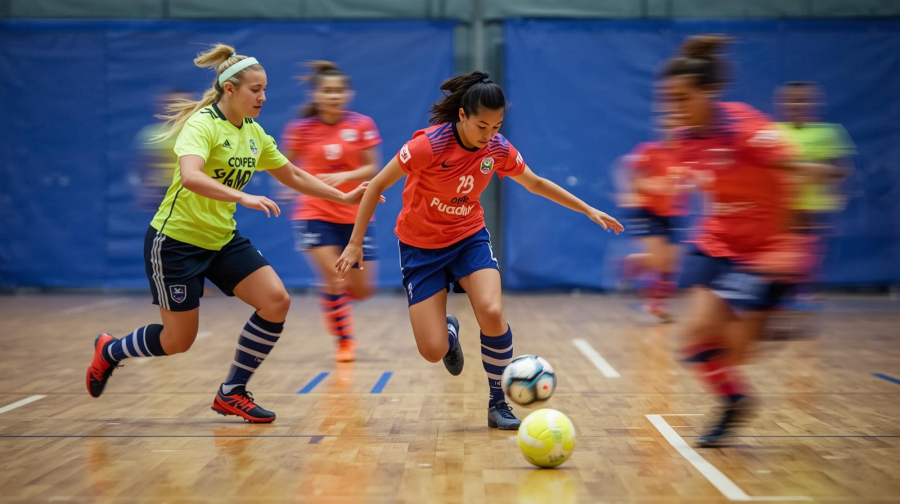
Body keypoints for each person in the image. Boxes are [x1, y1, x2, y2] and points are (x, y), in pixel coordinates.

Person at [85, 43, 380, 423]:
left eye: (265, 89)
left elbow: (293, 175)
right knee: (177, 341)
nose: (262, 97)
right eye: (255, 89)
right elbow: (191, 177)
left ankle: (232, 391)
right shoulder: (202, 124)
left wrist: (343, 196)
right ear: (230, 90)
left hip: (221, 238)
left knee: (276, 300)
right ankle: (111, 351)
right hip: (175, 241)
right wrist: (244, 195)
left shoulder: (255, 134)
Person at [335, 71, 624, 430]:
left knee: (491, 309)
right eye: (482, 126)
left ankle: (498, 402)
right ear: (462, 116)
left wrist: (587, 208)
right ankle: (450, 332)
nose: (489, 135)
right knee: (433, 351)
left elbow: (534, 182)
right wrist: (354, 243)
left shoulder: (498, 149)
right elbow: (377, 182)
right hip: (420, 246)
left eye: (497, 126)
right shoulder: (429, 146)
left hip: (467, 237)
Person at [661, 35, 813, 446]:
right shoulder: (685, 139)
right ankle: (734, 400)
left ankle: (771, 316)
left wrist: (814, 175)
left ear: (708, 93)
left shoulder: (746, 129)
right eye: (668, 100)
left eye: (680, 98)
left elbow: (793, 168)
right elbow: (682, 179)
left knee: (734, 351)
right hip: (719, 242)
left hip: (765, 250)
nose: (672, 109)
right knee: (694, 339)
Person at [281, 61, 382, 362]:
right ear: (316, 95)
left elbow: (372, 167)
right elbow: (283, 165)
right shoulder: (300, 129)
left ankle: (329, 294)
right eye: (327, 91)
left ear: (348, 94)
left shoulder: (361, 124)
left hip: (355, 215)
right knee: (337, 280)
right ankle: (344, 341)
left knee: (362, 290)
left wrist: (343, 177)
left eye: (339, 91)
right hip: (314, 213)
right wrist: (288, 185)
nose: (334, 96)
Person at [621, 113, 690, 322]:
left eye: (678, 125)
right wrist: (647, 188)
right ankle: (634, 264)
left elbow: (690, 179)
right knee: (661, 260)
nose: (674, 130)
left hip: (672, 213)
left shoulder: (685, 154)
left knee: (671, 263)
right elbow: (629, 172)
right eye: (669, 126)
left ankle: (656, 305)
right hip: (648, 211)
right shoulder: (650, 150)